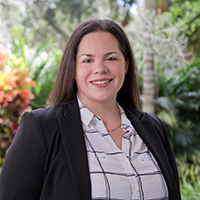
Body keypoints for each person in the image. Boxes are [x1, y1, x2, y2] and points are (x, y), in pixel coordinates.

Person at [0, 19, 181, 200]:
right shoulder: (42, 127)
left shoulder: (154, 127)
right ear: (73, 69)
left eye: (110, 58)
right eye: (87, 60)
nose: (100, 69)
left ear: (126, 64)